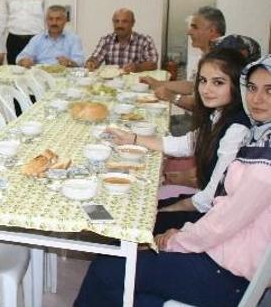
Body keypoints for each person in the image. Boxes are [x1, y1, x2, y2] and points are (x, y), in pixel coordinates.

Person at [74, 54, 271, 307]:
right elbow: (191, 148)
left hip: (225, 273)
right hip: (225, 256)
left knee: (106, 270)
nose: (256, 99)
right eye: (253, 88)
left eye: (269, 90)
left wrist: (174, 240)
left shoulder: (261, 162)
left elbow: (220, 221)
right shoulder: (257, 136)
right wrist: (133, 139)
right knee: (123, 280)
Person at [107, 48, 251, 233]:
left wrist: (169, 209)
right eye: (203, 81)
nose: (206, 89)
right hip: (205, 205)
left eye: (218, 82)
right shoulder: (219, 114)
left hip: (211, 220)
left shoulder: (236, 130)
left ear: (237, 85)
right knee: (132, 207)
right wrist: (132, 138)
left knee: (132, 221)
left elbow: (210, 198)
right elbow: (185, 144)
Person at [141, 6, 227, 112]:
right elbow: (192, 85)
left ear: (212, 31)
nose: (189, 32)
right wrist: (157, 83)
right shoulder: (208, 55)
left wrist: (172, 97)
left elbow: (202, 105)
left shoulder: (220, 61)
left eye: (194, 27)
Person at [85, 8, 158, 73]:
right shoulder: (106, 40)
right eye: (116, 21)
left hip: (136, 83)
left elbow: (153, 64)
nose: (120, 25)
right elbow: (96, 58)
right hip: (111, 83)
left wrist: (137, 67)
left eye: (124, 21)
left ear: (133, 23)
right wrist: (91, 62)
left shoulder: (144, 40)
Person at [16, 5, 85, 67]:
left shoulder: (74, 39)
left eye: (58, 19)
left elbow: (80, 61)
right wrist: (23, 61)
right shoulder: (37, 39)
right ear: (46, 21)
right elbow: (20, 57)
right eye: (50, 19)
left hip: (65, 75)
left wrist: (69, 62)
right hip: (41, 76)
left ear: (65, 21)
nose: (54, 23)